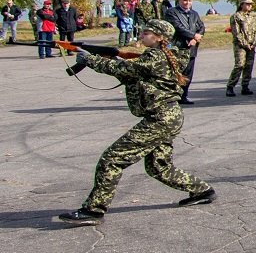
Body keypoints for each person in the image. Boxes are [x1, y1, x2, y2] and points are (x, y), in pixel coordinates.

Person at [58, 19, 215, 226]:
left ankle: (93, 210)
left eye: (147, 33)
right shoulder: (168, 55)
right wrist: (108, 57)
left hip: (160, 118)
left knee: (112, 159)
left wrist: (91, 60)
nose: (142, 35)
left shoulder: (155, 57)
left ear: (159, 38)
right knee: (159, 167)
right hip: (168, 117)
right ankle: (202, 190)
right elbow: (134, 69)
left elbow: (126, 70)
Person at [162, 0, 205, 104]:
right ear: (180, 1)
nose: (187, 3)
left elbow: (201, 27)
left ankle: (183, 96)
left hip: (191, 48)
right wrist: (193, 35)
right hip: (177, 48)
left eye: (190, 1)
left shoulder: (194, 14)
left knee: (188, 74)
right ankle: (173, 97)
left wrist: (195, 38)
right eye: (185, 0)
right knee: (176, 74)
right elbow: (177, 27)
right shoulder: (171, 12)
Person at [227, 0, 256, 96]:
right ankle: (230, 86)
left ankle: (245, 86)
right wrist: (245, 44)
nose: (249, 6)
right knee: (240, 65)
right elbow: (236, 33)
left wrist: (254, 42)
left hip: (252, 45)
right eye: (247, 4)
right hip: (240, 45)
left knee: (249, 66)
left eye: (250, 4)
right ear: (241, 4)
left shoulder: (253, 16)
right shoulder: (236, 16)